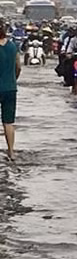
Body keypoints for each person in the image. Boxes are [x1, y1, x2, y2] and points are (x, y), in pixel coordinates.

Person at [0, 20, 21, 161]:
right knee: (8, 122)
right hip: (10, 89)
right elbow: (18, 66)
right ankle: (11, 152)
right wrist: (13, 80)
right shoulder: (13, 46)